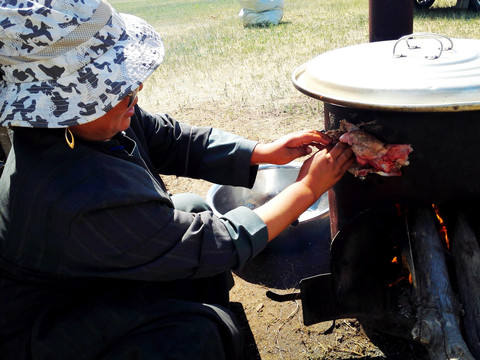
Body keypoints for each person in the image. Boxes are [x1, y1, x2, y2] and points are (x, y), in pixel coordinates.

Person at [0, 1, 354, 359]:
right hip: (51, 326)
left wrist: (261, 151)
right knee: (190, 339)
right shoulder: (75, 190)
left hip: (90, 278)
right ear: (61, 105)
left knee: (193, 206)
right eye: (114, 85)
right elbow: (213, 243)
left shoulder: (86, 126)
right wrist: (307, 188)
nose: (135, 88)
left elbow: (170, 138)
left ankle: (206, 316)